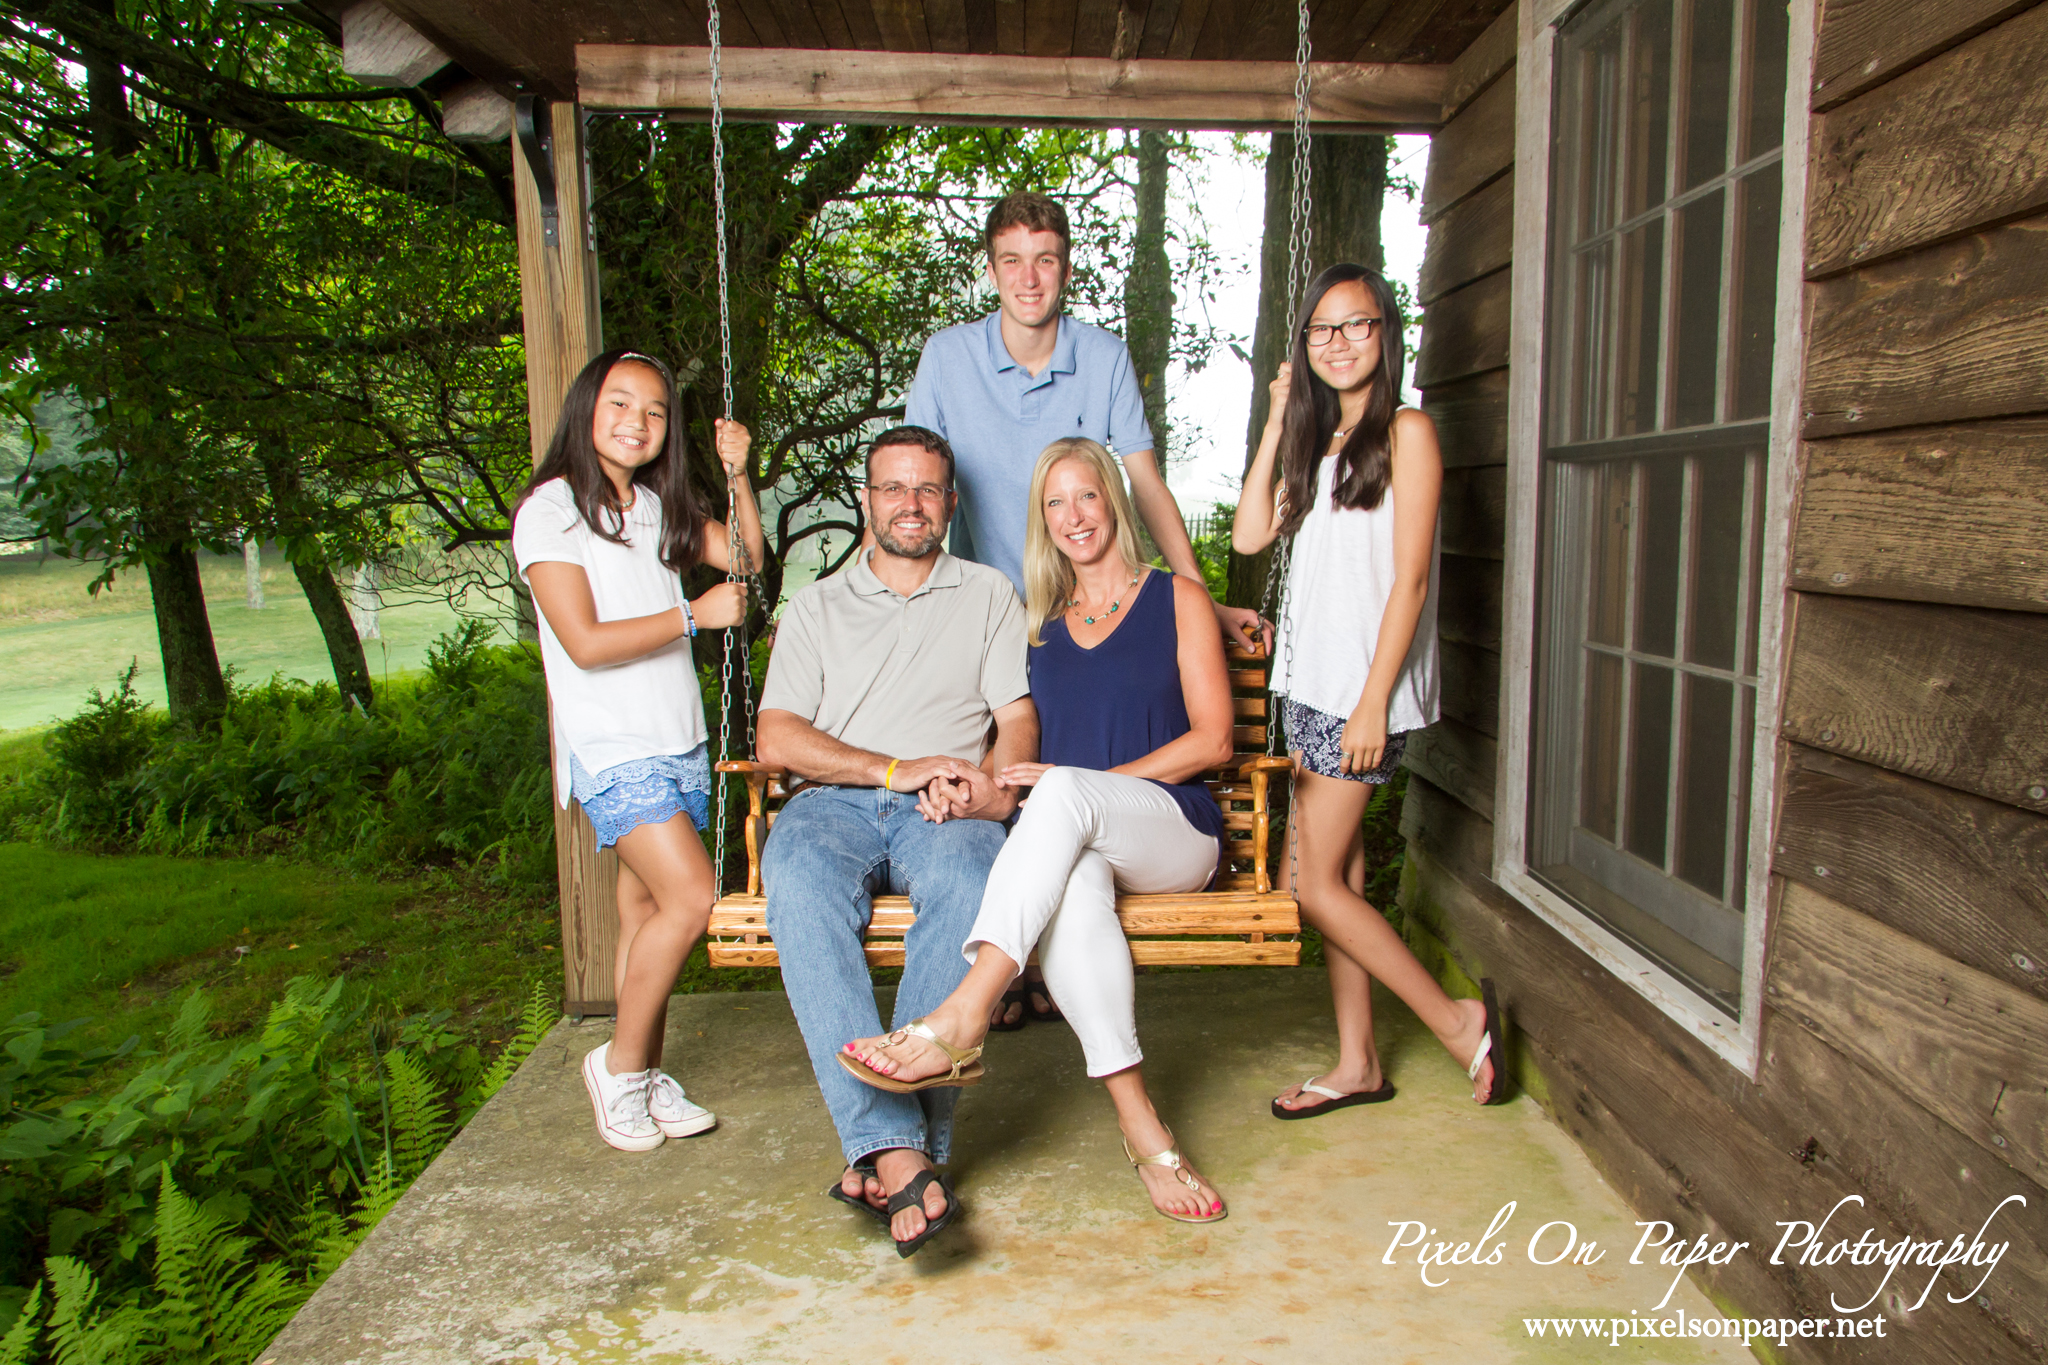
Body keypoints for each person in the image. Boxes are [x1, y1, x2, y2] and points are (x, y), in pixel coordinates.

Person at [839, 437, 1234, 1224]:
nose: (1074, 516)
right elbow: (1019, 753)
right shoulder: (1039, 625)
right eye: (1055, 503)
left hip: (1172, 829)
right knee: (1074, 886)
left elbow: (1214, 741)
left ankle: (962, 1013)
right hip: (1078, 839)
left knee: (1061, 805)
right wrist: (968, 788)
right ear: (1042, 521)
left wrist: (1082, 788)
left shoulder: (1177, 599)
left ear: (1113, 502)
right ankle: (1142, 1124)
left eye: (1086, 495)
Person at [906, 189, 1265, 1026]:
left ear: (1065, 268)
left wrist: (1198, 600)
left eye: (1046, 259)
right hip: (1006, 617)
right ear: (989, 270)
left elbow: (1143, 482)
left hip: (1080, 610)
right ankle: (1025, 974)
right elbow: (913, 487)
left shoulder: (1099, 358)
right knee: (1004, 781)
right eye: (1011, 261)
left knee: (1050, 791)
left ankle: (975, 1002)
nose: (1029, 278)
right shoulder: (948, 359)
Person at [1231, 263, 1507, 1117]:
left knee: (1314, 888)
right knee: (1339, 878)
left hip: (1361, 696)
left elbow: (1412, 581)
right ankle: (1359, 1063)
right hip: (1309, 691)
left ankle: (1459, 1022)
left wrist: (1374, 702)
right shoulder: (1317, 448)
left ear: (1385, 335)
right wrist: (1278, 418)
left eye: (1357, 326)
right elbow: (1247, 533)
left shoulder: (1409, 432)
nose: (1340, 343)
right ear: (1305, 347)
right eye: (1323, 330)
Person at [756, 425, 1038, 1258]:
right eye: (892, 488)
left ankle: (883, 1153)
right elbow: (776, 733)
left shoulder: (989, 593)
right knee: (798, 883)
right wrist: (893, 767)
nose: (909, 504)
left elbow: (1017, 717)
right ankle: (905, 1150)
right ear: (866, 499)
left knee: (973, 880)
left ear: (950, 502)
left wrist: (985, 788)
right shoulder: (816, 607)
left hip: (944, 804)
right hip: (834, 802)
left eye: (926, 489)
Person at [512, 348, 765, 1152]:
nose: (637, 421)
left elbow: (749, 564)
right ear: (586, 409)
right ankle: (620, 1067)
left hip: (676, 734)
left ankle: (646, 1076)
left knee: (645, 909)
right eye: (620, 403)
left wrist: (742, 476)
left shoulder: (657, 506)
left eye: (654, 411)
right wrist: (693, 617)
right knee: (693, 898)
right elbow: (583, 642)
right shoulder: (549, 510)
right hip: (612, 741)